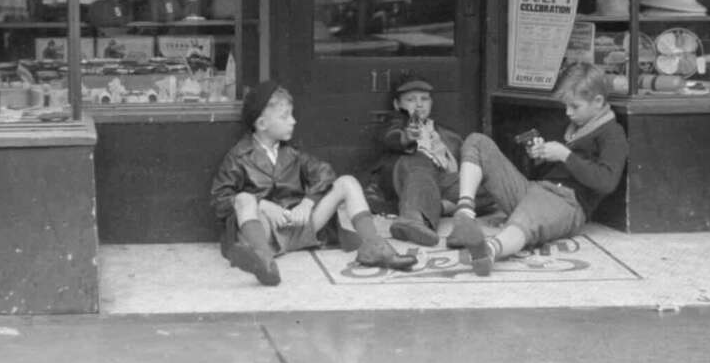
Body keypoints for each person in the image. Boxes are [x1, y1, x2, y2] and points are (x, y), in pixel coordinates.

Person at [211, 80, 418, 286]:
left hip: (301, 226)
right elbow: (220, 199)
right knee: (244, 199)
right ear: (262, 124)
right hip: (267, 233)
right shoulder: (238, 156)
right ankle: (263, 261)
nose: (293, 121)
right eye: (285, 116)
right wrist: (262, 205)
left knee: (348, 182)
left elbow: (325, 173)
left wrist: (307, 203)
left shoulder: (291, 153)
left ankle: (374, 246)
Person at [446, 62, 628, 276]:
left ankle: (489, 251)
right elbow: (553, 171)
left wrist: (565, 155)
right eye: (566, 106)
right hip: (535, 190)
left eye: (575, 106)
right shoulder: (576, 126)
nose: (568, 112)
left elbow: (606, 181)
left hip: (567, 202)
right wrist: (540, 156)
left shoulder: (612, 134)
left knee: (528, 217)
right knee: (477, 142)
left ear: (598, 101)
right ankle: (465, 213)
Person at [372, 73, 464, 247]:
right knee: (420, 160)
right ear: (397, 104)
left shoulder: (447, 134)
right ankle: (413, 218)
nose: (419, 104)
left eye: (425, 99)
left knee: (480, 180)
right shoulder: (396, 123)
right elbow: (391, 136)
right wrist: (407, 137)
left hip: (441, 184)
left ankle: (436, 206)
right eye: (411, 99)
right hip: (408, 177)